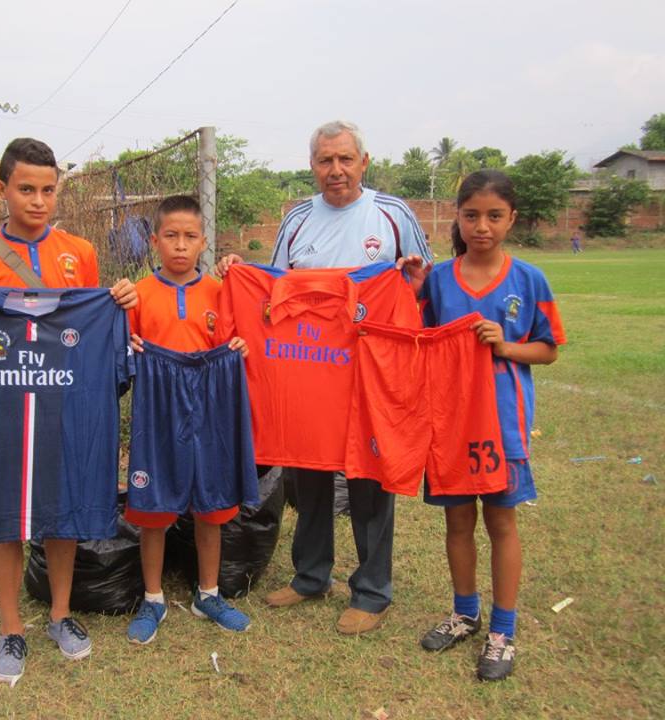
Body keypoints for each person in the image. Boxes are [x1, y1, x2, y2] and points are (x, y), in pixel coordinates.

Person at [0, 137, 137, 685]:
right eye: (26, 189)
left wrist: (121, 301)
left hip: (62, 398)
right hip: (1, 404)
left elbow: (84, 327)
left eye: (48, 190)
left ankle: (61, 615)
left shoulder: (79, 252)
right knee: (6, 515)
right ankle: (11, 627)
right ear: (4, 190)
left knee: (61, 510)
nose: (38, 200)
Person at [217, 120, 432, 635]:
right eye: (324, 161)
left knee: (369, 477)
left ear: (364, 161)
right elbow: (273, 296)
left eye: (344, 159)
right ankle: (311, 575)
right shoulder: (296, 222)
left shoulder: (393, 214)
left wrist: (416, 280)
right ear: (312, 166)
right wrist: (237, 272)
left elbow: (426, 283)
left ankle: (373, 591)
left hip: (371, 374)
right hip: (308, 369)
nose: (335, 170)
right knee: (306, 471)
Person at [417, 170, 565, 681]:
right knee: (457, 522)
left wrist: (504, 345)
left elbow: (547, 349)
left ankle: (503, 629)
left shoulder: (529, 280)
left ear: (511, 219)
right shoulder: (437, 279)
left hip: (503, 424)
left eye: (494, 216)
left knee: (501, 523)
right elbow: (418, 339)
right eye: (472, 215)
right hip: (451, 424)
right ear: (457, 216)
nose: (482, 226)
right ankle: (465, 613)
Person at [123, 195, 253, 645]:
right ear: (155, 240)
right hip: (157, 412)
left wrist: (239, 349)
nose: (180, 246)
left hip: (209, 408)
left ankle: (209, 593)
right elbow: (123, 354)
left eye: (190, 237)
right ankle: (153, 597)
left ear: (204, 242)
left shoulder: (221, 292)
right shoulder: (138, 293)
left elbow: (237, 341)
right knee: (153, 508)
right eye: (171, 236)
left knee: (211, 506)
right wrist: (130, 349)